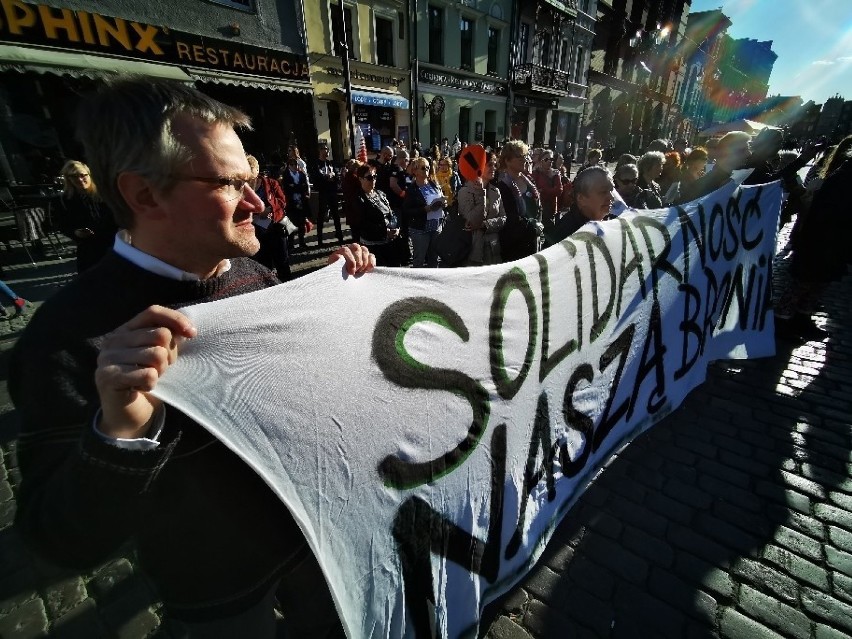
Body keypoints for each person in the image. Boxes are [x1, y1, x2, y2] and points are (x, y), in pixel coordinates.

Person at [10, 77, 374, 639]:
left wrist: (343, 302)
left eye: (253, 181)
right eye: (232, 185)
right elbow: (59, 540)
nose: (258, 202)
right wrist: (120, 433)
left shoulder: (256, 276)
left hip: (314, 543)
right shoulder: (64, 337)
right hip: (215, 587)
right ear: (144, 195)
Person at [58, 160, 117, 273]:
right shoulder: (66, 200)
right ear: (68, 179)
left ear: (89, 175)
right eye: (74, 176)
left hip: (113, 240)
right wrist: (75, 232)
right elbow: (63, 224)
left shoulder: (105, 194)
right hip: (89, 245)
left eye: (82, 175)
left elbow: (119, 215)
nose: (80, 179)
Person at [247, 154, 291, 282]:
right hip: (257, 231)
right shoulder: (243, 187)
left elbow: (282, 201)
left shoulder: (271, 183)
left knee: (282, 261)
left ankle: (288, 286)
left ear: (257, 169)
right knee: (264, 264)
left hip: (276, 227)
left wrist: (270, 209)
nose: (250, 172)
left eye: (252, 168)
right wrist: (258, 213)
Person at [496, 140, 543, 262]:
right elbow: (509, 221)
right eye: (519, 156)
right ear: (507, 160)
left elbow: (537, 208)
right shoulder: (502, 187)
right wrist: (532, 227)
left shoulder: (529, 181)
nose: (524, 159)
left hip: (532, 242)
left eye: (525, 156)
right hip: (514, 248)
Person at [674, 131, 751, 205]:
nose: (749, 154)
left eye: (748, 149)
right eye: (743, 150)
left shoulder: (740, 182)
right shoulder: (699, 188)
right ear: (726, 153)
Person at [457, 151, 505, 265]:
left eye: (495, 165)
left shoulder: (496, 191)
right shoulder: (465, 191)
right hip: (473, 251)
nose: (493, 168)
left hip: (493, 250)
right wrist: (481, 193)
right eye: (489, 165)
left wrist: (486, 225)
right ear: (479, 167)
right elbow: (472, 221)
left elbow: (503, 218)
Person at [353, 163, 403, 267]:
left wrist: (396, 227)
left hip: (389, 241)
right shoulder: (358, 199)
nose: (373, 180)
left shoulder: (381, 194)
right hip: (373, 245)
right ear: (361, 179)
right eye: (369, 177)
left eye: (375, 176)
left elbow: (391, 213)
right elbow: (363, 223)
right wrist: (385, 231)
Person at [551, 166, 616, 242]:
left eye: (611, 190)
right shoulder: (566, 235)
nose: (611, 197)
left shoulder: (614, 223)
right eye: (603, 192)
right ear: (581, 198)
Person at [402, 157, 445, 268]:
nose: (426, 169)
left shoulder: (434, 185)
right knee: (419, 260)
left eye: (427, 167)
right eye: (423, 168)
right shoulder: (411, 190)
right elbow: (406, 211)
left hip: (436, 227)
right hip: (420, 230)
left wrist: (443, 204)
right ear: (415, 171)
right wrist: (424, 210)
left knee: (434, 259)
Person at [311, 145, 343, 246]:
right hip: (323, 192)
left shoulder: (331, 163)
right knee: (321, 215)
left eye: (328, 149)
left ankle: (339, 235)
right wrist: (326, 177)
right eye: (325, 149)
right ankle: (319, 239)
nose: (327, 151)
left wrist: (334, 176)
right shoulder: (316, 164)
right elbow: (316, 177)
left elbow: (337, 174)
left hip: (332, 192)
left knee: (336, 214)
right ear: (320, 151)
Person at [281, 156, 312, 249]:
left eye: (295, 164)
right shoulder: (286, 175)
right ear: (288, 166)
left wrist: (294, 186)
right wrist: (298, 187)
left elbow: (305, 187)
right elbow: (286, 189)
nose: (294, 166)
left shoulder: (301, 174)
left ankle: (302, 242)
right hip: (291, 203)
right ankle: (291, 244)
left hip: (301, 202)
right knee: (291, 224)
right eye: (292, 165)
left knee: (302, 223)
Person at [531, 150, 563, 229]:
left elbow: (559, 190)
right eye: (546, 159)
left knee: (549, 233)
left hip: (550, 209)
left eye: (551, 159)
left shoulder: (555, 174)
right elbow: (533, 190)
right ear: (541, 161)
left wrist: (543, 190)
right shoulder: (536, 173)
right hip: (537, 208)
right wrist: (550, 190)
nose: (549, 162)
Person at [341, 159, 364, 244]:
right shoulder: (354, 178)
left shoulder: (346, 177)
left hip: (349, 205)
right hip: (355, 206)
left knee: (354, 229)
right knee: (357, 229)